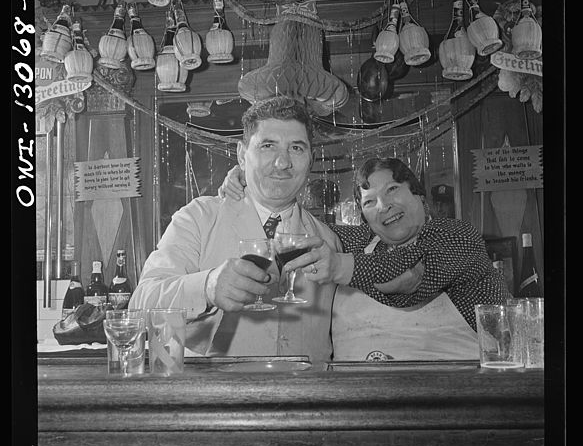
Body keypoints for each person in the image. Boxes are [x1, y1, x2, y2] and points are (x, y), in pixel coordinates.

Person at [219, 157, 509, 361]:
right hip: (352, 406)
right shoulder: (356, 242)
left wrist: (338, 267)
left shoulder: (456, 237)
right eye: (370, 202)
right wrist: (255, 181)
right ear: (365, 217)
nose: (384, 206)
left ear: (419, 195)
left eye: (393, 190)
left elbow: (408, 280)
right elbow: (292, 227)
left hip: (450, 403)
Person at [129, 95, 343, 361]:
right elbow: (141, 304)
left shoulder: (329, 242)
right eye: (268, 146)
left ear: (311, 159)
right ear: (242, 155)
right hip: (218, 396)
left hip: (305, 397)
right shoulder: (197, 218)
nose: (282, 162)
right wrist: (206, 287)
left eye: (296, 148)